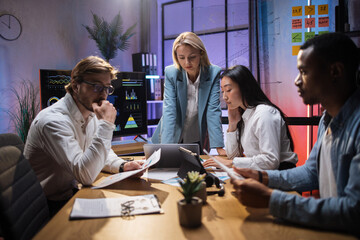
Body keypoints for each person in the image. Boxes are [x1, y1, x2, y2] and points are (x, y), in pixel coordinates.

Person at [231, 33, 360, 236]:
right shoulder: (327, 119)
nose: (296, 81)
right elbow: (311, 173)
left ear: (335, 71)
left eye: (304, 72)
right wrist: (261, 177)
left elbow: (354, 211)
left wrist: (272, 200)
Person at [24, 56, 143, 216]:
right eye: (96, 86)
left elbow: (100, 153)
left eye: (107, 87)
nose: (104, 95)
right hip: (45, 207)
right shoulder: (53, 122)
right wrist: (106, 125)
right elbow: (85, 175)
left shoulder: (90, 113)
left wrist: (121, 165)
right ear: (75, 85)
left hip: (70, 193)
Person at [203, 65, 298, 170]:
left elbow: (270, 161)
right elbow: (233, 156)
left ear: (244, 88)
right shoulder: (246, 114)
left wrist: (231, 163)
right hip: (260, 174)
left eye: (229, 90)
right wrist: (233, 124)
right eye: (223, 91)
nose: (224, 97)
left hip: (280, 175)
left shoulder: (264, 113)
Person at [151, 32, 225, 155]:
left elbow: (213, 110)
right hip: (170, 136)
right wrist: (166, 148)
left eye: (192, 57)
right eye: (181, 57)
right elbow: (170, 111)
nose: (187, 63)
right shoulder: (171, 73)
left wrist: (218, 147)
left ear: (201, 54)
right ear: (176, 57)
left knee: (194, 173)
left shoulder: (213, 73)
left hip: (195, 138)